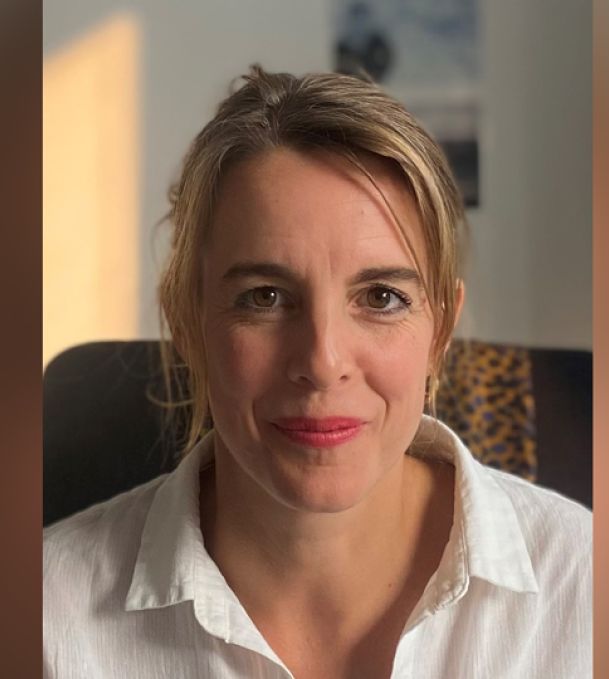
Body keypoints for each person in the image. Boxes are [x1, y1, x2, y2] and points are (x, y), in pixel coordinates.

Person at [43, 66, 591, 678]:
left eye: (381, 297)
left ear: (441, 332)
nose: (323, 363)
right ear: (188, 322)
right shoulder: (42, 620)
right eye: (265, 297)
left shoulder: (582, 588)